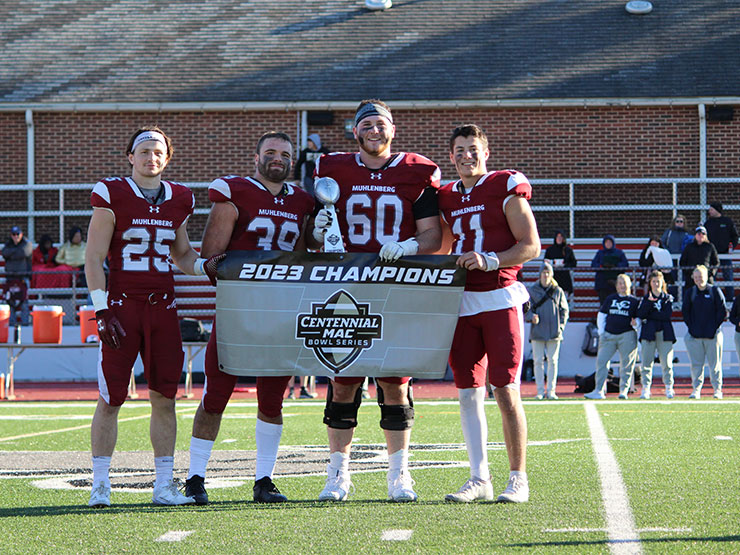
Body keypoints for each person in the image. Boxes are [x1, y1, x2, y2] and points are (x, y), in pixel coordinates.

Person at [310, 99, 442, 502]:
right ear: (355, 131)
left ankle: (399, 475)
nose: (374, 130)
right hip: (346, 284)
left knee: (394, 381)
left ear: (393, 130)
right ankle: (338, 475)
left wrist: (405, 245)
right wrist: (318, 231)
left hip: (394, 286)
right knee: (343, 380)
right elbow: (317, 236)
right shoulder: (333, 169)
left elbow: (432, 237)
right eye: (366, 124)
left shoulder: (416, 171)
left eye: (381, 124)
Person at [85, 126, 220, 508]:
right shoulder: (112, 193)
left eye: (158, 151)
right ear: (130, 156)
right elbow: (93, 259)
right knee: (111, 398)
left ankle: (163, 485)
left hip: (163, 309)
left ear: (167, 157)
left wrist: (206, 266)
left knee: (165, 398)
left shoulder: (179, 198)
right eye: (143, 151)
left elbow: (181, 256)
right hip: (123, 307)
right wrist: (101, 308)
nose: (151, 157)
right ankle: (100, 484)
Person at [185, 131, 315, 505]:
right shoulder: (235, 190)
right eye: (270, 152)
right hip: (238, 311)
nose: (278, 158)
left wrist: (317, 236)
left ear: (292, 161)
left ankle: (265, 480)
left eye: (285, 154)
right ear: (255, 157)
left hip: (281, 313)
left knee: (272, 401)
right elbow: (212, 256)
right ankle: (195, 478)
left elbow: (306, 259)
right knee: (215, 396)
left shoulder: (303, 200)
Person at [437, 123, 540, 504]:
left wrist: (490, 259)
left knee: (506, 390)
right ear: (451, 156)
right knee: (467, 393)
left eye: (473, 148)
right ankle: (479, 477)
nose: (467, 155)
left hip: (499, 297)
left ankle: (518, 477)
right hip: (462, 302)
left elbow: (530, 245)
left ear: (486, 152)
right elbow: (443, 244)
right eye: (460, 149)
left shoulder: (504, 186)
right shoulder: (446, 196)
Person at [584, 274, 640, 400]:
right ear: (616, 286)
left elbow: (639, 319)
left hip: (627, 335)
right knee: (602, 362)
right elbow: (602, 315)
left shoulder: (635, 301)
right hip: (609, 335)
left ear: (630, 284)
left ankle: (624, 391)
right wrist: (602, 332)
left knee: (626, 364)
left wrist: (637, 324)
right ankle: (598, 390)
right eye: (620, 283)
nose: (622, 285)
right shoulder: (610, 299)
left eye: (625, 282)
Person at [682, 265, 727, 399]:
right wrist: (692, 328)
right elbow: (686, 312)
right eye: (695, 277)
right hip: (695, 336)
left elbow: (722, 311)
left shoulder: (715, 291)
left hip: (713, 336)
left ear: (706, 277)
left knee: (715, 365)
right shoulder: (690, 293)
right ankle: (696, 390)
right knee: (696, 365)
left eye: (700, 276)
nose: (698, 279)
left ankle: (717, 389)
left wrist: (713, 328)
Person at [526, 262, 569, 400]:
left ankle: (551, 391)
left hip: (554, 333)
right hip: (537, 331)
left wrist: (561, 326)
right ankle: (539, 391)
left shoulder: (558, 291)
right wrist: (531, 317)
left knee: (553, 361)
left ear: (551, 275)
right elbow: (526, 309)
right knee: (537, 361)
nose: (545, 275)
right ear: (539, 275)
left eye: (548, 273)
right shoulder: (532, 290)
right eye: (543, 273)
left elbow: (565, 310)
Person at [636, 270, 676, 399]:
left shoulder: (668, 298)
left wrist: (650, 314)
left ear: (662, 282)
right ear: (650, 283)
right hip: (648, 333)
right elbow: (641, 314)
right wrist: (649, 304)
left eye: (658, 281)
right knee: (647, 363)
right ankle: (646, 389)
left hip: (665, 333)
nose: (656, 284)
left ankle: (669, 387)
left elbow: (666, 315)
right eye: (653, 281)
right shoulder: (645, 299)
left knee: (667, 363)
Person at [703, 201, 738, 299]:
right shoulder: (708, 223)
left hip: (725, 255)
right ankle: (710, 297)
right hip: (712, 256)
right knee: (710, 277)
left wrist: (731, 247)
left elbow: (734, 237)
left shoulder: (727, 222)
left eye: (711, 209)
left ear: (717, 210)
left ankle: (730, 298)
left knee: (728, 277)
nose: (709, 211)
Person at [2, 225, 32, 326]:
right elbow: (4, 253)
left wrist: (12, 253)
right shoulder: (8, 244)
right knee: (11, 301)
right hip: (10, 278)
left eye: (17, 234)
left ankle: (25, 323)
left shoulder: (26, 243)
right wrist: (16, 252)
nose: (16, 237)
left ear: (21, 234)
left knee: (23, 302)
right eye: (13, 235)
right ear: (11, 235)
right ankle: (11, 323)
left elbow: (24, 252)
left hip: (22, 278)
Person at [591, 234, 628, 304]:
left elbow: (625, 264)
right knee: (604, 302)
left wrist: (615, 266)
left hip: (615, 283)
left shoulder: (619, 253)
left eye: (610, 242)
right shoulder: (600, 253)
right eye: (606, 242)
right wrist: (602, 266)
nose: (608, 244)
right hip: (602, 283)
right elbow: (594, 265)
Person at [543, 230, 577, 296]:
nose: (559, 239)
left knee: (563, 298)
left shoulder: (568, 250)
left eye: (561, 237)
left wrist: (565, 265)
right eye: (558, 237)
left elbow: (574, 263)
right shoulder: (550, 250)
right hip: (552, 277)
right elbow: (545, 262)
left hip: (564, 278)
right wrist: (553, 263)